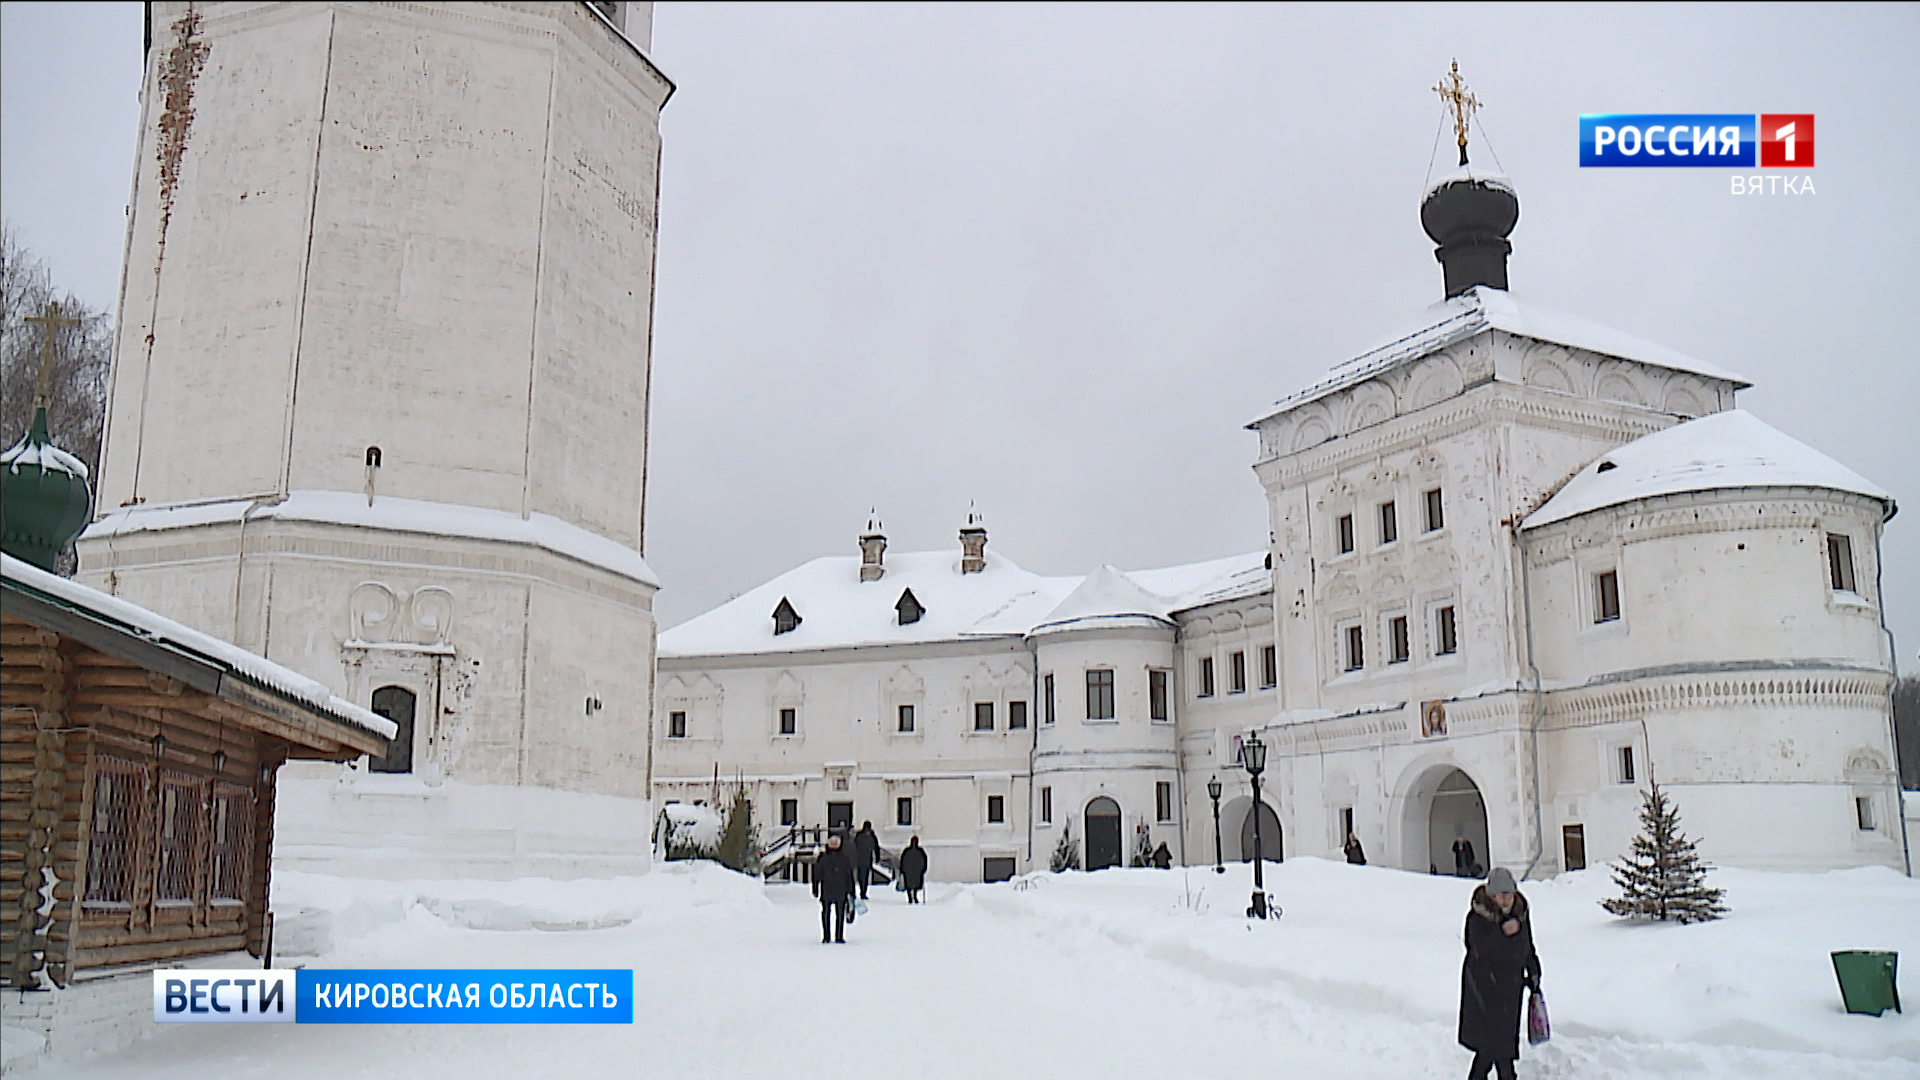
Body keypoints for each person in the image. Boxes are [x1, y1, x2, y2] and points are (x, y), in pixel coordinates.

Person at [1458, 867, 1541, 1080]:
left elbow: (1527, 945)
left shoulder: (1520, 914)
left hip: (1511, 988)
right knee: (1497, 1046)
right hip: (1484, 989)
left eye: (1509, 895)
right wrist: (1502, 933)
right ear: (1491, 895)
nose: (1505, 901)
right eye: (1500, 895)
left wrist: (1533, 970)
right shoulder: (1478, 917)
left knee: (1492, 1047)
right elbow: (1478, 950)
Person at [812, 833, 856, 943]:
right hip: (827, 889)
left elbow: (849, 875)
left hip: (841, 889)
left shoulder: (844, 859)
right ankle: (826, 936)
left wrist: (852, 891)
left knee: (840, 913)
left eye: (836, 843)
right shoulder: (823, 858)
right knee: (825, 913)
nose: (834, 845)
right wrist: (815, 887)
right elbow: (817, 873)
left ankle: (839, 936)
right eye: (832, 843)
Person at [853, 821, 880, 900]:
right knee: (864, 876)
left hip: (862, 859)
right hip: (866, 859)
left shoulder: (860, 835)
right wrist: (877, 857)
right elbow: (876, 847)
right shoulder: (871, 836)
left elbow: (854, 846)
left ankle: (863, 891)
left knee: (862, 877)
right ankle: (863, 892)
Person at [898, 835, 928, 904]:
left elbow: (902, 860)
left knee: (912, 884)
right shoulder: (919, 850)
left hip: (914, 870)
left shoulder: (909, 850)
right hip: (912, 870)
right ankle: (912, 897)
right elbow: (903, 860)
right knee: (911, 884)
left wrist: (923, 868)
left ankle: (912, 897)